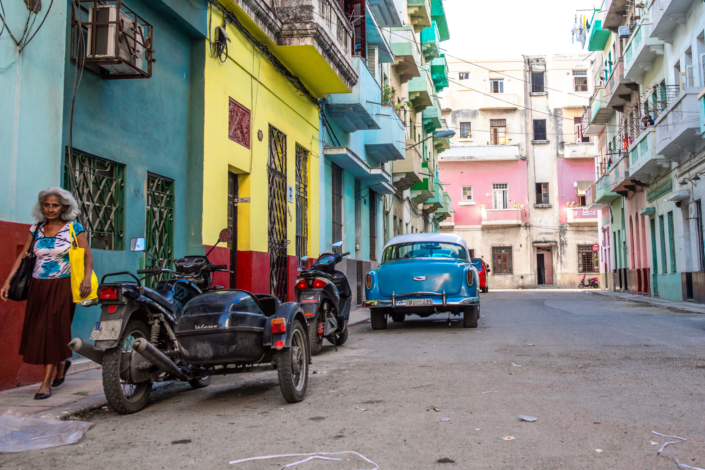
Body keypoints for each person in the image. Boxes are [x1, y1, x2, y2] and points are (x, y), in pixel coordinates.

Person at [1, 187, 94, 400]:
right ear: (41, 207)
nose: (50, 209)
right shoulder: (36, 229)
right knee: (41, 328)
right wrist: (7, 282)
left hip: (63, 286)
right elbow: (23, 257)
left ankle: (45, 383)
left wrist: (87, 278)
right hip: (37, 286)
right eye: (47, 205)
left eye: (55, 205)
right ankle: (61, 363)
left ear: (64, 207)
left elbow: (88, 256)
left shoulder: (73, 228)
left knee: (52, 329)